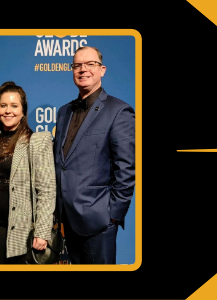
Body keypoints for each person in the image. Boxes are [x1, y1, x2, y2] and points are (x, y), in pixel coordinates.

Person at [54, 46, 135, 264]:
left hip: (99, 222)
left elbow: (126, 169)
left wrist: (112, 216)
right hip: (68, 220)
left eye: (90, 64)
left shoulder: (119, 111)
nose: (83, 70)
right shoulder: (63, 112)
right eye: (77, 65)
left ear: (102, 70)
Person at [0, 82, 56, 264]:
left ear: (22, 110)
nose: (8, 111)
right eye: (3, 105)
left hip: (23, 227)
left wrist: (42, 232)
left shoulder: (37, 141)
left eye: (14, 106)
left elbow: (47, 190)